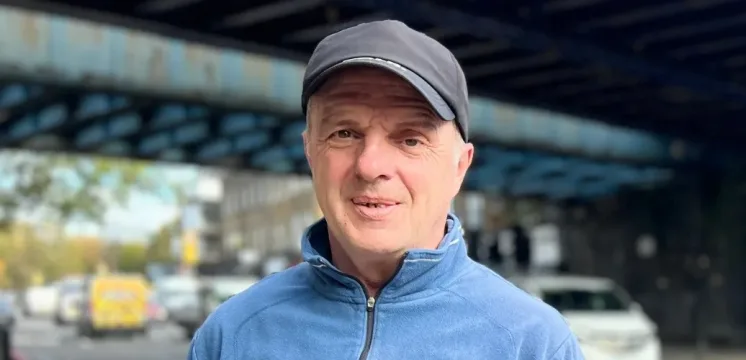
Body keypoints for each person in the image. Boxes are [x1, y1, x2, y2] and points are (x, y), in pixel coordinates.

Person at [187, 20, 582, 360]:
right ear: (310, 153)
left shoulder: (532, 343)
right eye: (344, 133)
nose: (370, 166)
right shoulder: (231, 336)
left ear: (460, 166)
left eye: (411, 139)